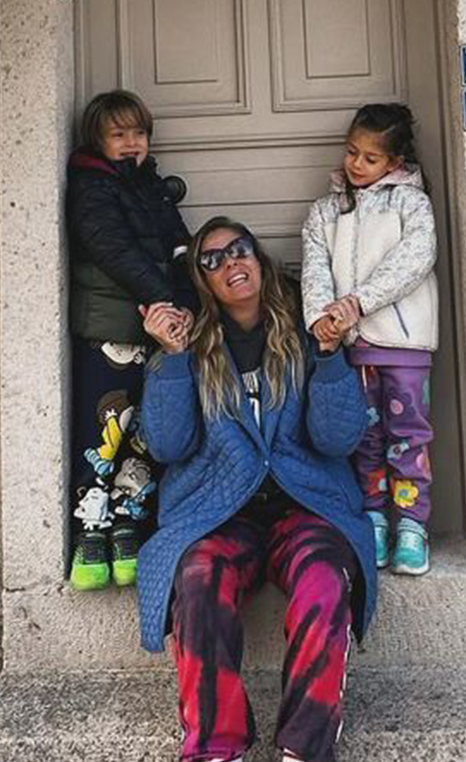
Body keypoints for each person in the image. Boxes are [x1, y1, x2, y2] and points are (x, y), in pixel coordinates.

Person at [137, 218, 376, 762]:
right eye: (212, 260)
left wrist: (330, 355)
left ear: (259, 260)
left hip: (305, 507)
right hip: (221, 514)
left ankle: (306, 748)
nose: (229, 264)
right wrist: (172, 360)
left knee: (322, 584)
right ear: (203, 282)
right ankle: (215, 747)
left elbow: (337, 440)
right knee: (197, 581)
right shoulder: (192, 349)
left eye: (237, 250)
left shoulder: (307, 331)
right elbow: (168, 447)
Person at [301, 103, 439, 575]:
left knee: (408, 437)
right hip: (351, 347)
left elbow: (413, 261)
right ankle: (374, 519)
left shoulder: (411, 204)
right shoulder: (327, 212)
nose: (356, 165)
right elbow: (315, 266)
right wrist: (322, 317)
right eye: (352, 153)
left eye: (371, 158)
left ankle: (412, 526)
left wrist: (359, 302)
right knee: (365, 437)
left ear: (395, 162)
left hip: (404, 346)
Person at [65, 89, 195, 591]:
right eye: (118, 134)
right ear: (97, 141)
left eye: (138, 133)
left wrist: (189, 297)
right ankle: (90, 530)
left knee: (143, 431)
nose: (131, 143)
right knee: (105, 429)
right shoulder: (92, 187)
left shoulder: (150, 187)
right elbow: (113, 249)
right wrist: (165, 296)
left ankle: (128, 522)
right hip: (111, 330)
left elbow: (178, 243)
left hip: (157, 331)